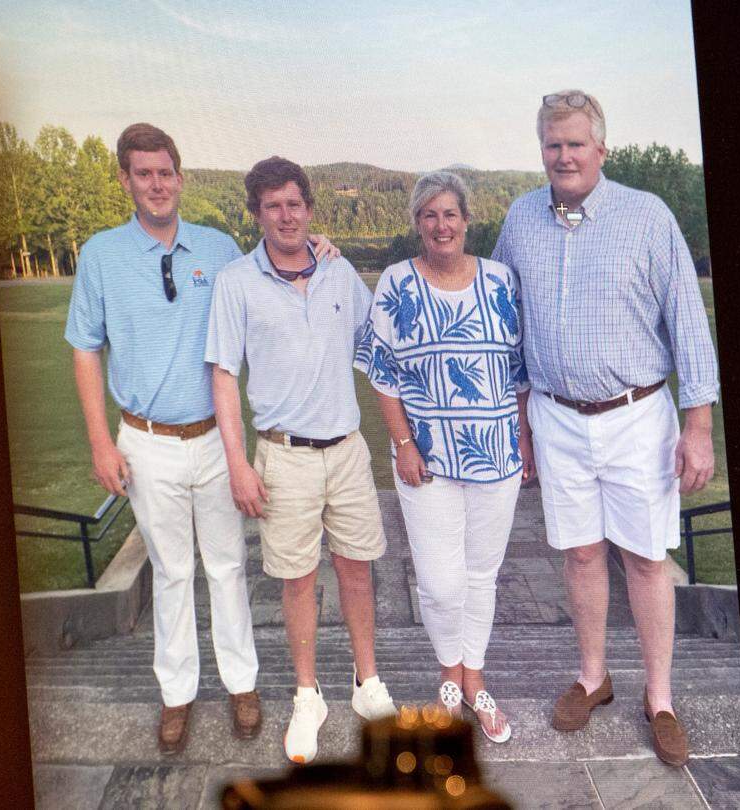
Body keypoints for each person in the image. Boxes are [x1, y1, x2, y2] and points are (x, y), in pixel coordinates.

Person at [65, 124, 338, 754]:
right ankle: (177, 694)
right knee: (171, 571)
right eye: (143, 173)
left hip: (218, 438)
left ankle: (242, 684)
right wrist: (100, 444)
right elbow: (85, 349)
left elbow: (279, 256)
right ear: (126, 180)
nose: (156, 184)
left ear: (180, 178)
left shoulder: (217, 249)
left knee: (227, 566)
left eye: (166, 172)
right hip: (146, 440)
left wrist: (322, 245)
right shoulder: (101, 254)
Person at [492, 90, 719, 767]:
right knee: (582, 553)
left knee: (647, 559)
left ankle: (661, 697)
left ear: (601, 149)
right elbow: (504, 315)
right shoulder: (522, 217)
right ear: (543, 151)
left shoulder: (647, 218)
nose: (563, 155)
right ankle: (594, 678)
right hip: (555, 417)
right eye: (552, 145)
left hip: (636, 417)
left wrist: (698, 425)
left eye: (575, 143)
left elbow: (687, 322)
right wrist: (522, 418)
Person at [206, 156, 397, 765]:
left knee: (357, 568)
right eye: (272, 207)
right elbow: (223, 375)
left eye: (294, 204)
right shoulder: (236, 282)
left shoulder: (340, 274)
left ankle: (367, 685)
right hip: (282, 456)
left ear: (309, 209)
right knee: (297, 581)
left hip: (347, 450)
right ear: (256, 215)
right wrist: (238, 462)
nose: (286, 216)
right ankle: (308, 695)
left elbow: (380, 344)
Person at [355, 171, 533, 744]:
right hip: (424, 462)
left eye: (450, 214)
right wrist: (403, 443)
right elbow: (383, 373)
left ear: (466, 219)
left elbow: (520, 370)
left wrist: (524, 441)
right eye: (429, 215)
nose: (441, 225)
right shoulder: (397, 283)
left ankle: (471, 680)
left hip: (497, 457)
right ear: (417, 224)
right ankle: (446, 675)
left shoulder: (502, 280)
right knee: (438, 582)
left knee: (482, 576)